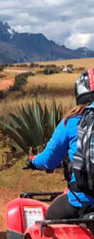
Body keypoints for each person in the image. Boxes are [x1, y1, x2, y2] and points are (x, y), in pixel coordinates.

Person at [26, 70, 94, 219]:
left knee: (49, 220)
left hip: (82, 202)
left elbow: (49, 159)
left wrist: (33, 162)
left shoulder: (71, 121)